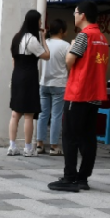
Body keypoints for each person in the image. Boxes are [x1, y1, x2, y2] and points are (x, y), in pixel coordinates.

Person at [49, 1, 108, 192]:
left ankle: (69, 177)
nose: (74, 15)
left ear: (82, 15)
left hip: (79, 92)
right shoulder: (102, 37)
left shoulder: (84, 36)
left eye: (75, 12)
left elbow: (70, 61)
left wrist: (72, 46)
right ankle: (83, 178)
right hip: (95, 94)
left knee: (70, 136)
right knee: (88, 138)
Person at [8, 10, 49, 156]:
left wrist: (14, 78)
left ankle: (12, 146)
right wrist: (43, 38)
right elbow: (46, 55)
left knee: (15, 113)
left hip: (17, 75)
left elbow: (14, 59)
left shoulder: (16, 37)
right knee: (28, 114)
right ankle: (28, 147)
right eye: (39, 20)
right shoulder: (31, 39)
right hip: (29, 77)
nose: (41, 23)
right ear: (34, 22)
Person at [37, 19, 70, 156]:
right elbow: (69, 64)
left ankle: (39, 144)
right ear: (62, 31)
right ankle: (54, 146)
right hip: (59, 83)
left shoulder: (45, 43)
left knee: (43, 114)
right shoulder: (66, 46)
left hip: (44, 82)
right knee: (56, 116)